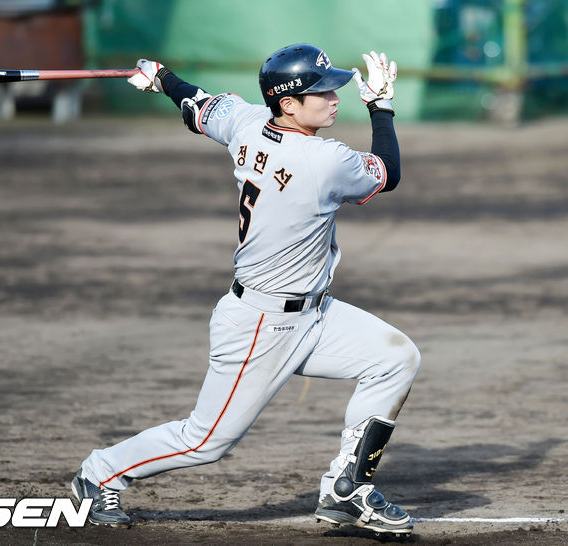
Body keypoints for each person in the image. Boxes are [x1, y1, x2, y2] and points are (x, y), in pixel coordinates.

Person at [71, 44, 421, 537]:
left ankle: (347, 488)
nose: (334, 97)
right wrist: (381, 107)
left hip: (314, 315)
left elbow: (197, 105)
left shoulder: (246, 121)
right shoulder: (323, 160)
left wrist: (163, 79)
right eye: (321, 91)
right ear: (289, 104)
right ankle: (99, 473)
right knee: (206, 441)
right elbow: (390, 173)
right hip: (262, 324)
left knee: (395, 358)